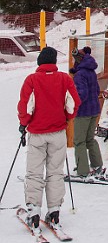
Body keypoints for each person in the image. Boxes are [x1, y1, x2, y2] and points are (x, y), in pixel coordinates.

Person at [17, 46, 80, 232]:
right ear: (53, 62)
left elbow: (25, 107)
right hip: (58, 133)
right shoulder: (64, 79)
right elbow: (73, 103)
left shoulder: (32, 80)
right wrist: (67, 118)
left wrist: (23, 123)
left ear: (39, 62)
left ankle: (34, 212)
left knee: (35, 173)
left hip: (37, 134)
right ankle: (54, 212)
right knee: (55, 172)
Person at [69, 46, 105, 179]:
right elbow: (96, 91)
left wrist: (72, 105)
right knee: (90, 139)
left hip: (83, 113)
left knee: (79, 141)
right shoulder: (91, 72)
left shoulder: (79, 75)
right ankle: (97, 165)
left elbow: (81, 94)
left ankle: (82, 170)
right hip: (94, 110)